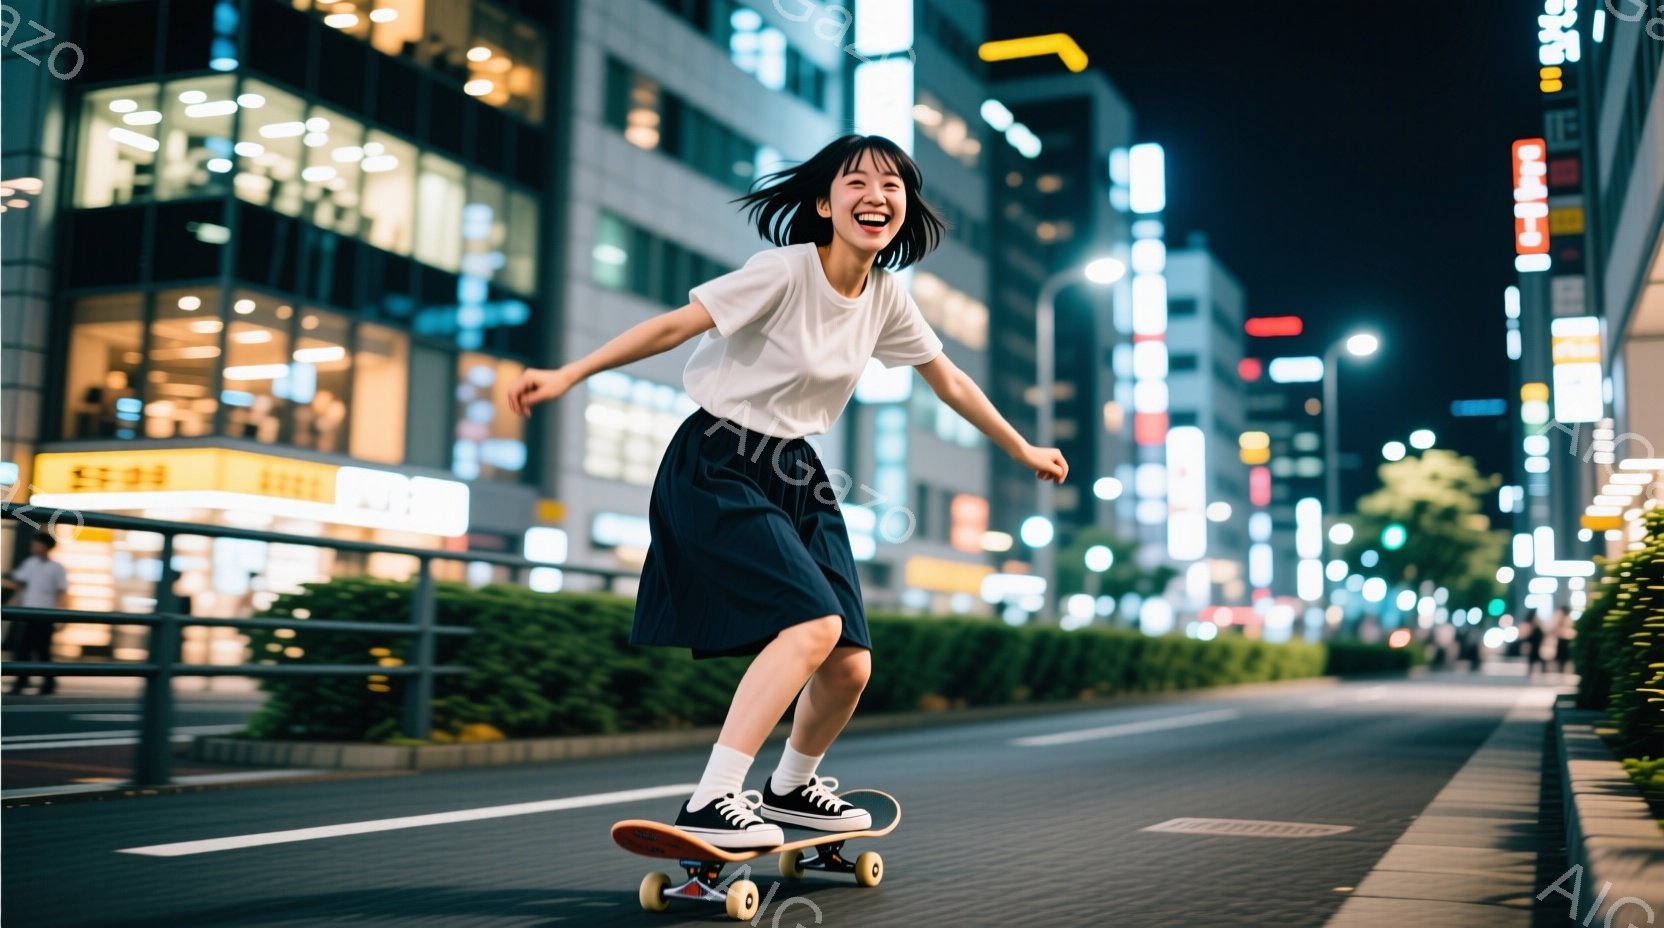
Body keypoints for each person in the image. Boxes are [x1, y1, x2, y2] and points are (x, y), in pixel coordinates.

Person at [507, 135, 1067, 850]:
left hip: (798, 472)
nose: (876, 196)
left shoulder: (886, 297)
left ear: (905, 207)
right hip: (718, 460)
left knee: (850, 663)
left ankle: (792, 787)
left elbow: (949, 380)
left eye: (892, 185)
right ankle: (712, 798)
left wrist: (1021, 448)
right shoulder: (784, 271)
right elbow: (676, 325)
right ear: (824, 205)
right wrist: (569, 373)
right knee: (812, 626)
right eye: (856, 182)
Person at [3, 533, 70, 695]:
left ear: (45, 546)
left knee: (41, 650)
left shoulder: (56, 567)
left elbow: (61, 593)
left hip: (45, 614)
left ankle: (45, 682)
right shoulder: (30, 563)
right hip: (26, 613)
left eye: (36, 544)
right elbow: (20, 586)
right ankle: (26, 681)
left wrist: (62, 616)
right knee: (24, 649)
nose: (32, 547)